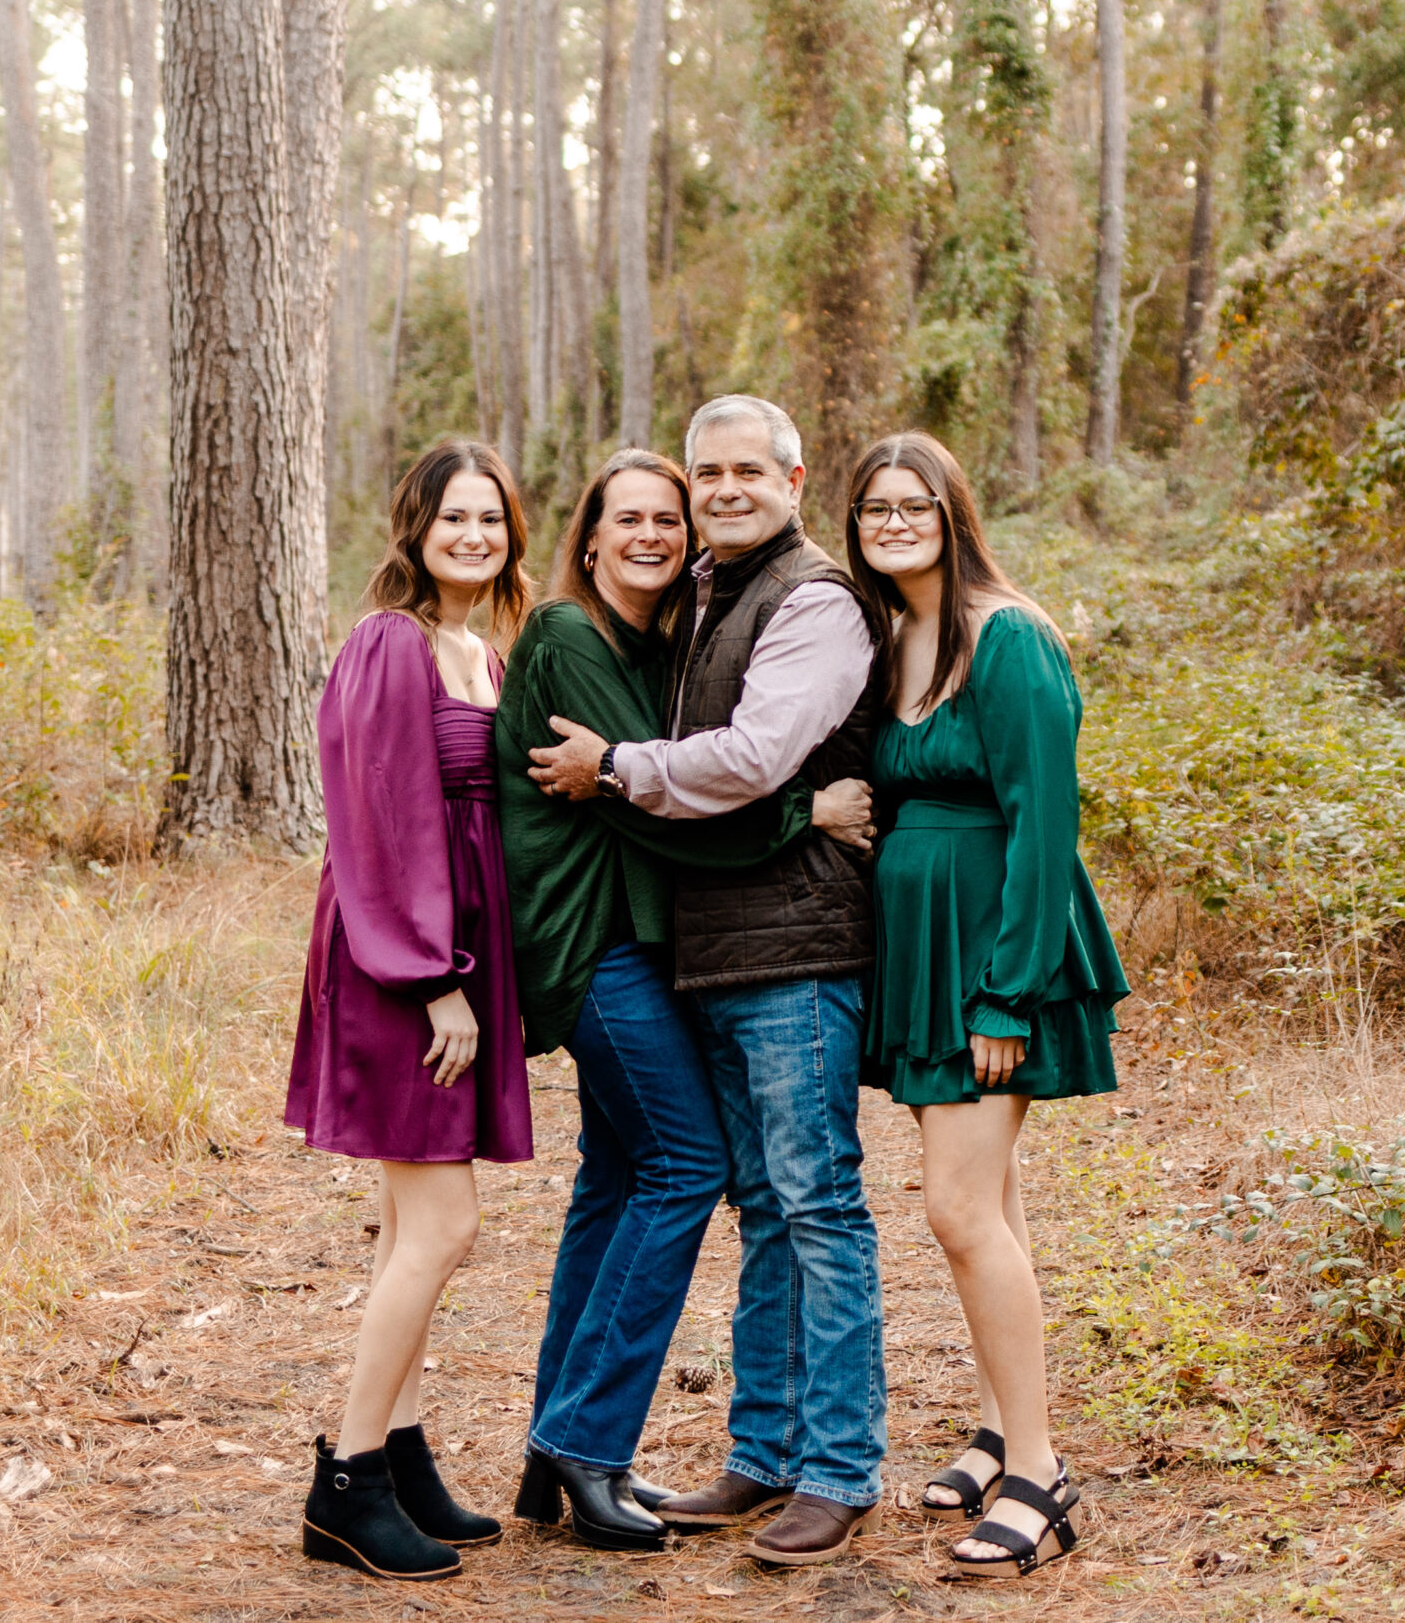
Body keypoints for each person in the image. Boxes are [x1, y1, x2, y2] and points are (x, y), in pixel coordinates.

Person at [527, 396, 887, 1568]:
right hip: (709, 951)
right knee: (764, 1206)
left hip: (796, 951)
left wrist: (616, 767)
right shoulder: (701, 595)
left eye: (747, 471)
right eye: (708, 475)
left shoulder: (814, 601)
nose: (725, 491)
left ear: (793, 475)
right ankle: (763, 1454)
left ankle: (837, 1469)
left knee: (818, 1202)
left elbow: (754, 757)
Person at [844, 431, 1127, 1578]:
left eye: (915, 504)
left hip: (988, 955)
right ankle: (1001, 1425)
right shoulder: (894, 636)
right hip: (919, 949)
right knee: (991, 1208)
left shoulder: (1007, 636)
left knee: (958, 1212)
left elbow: (1043, 824)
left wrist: (1004, 995)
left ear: (953, 514)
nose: (895, 522)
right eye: (875, 508)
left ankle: (1041, 1473)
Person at [289, 440, 534, 1584]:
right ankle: (345, 1484)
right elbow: (376, 820)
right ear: (415, 530)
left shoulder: (477, 649)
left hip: (457, 957)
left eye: (491, 519)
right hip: (406, 964)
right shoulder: (389, 644)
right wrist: (436, 977)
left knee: (408, 1227)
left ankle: (399, 1451)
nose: (475, 536)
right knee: (442, 1226)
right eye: (455, 520)